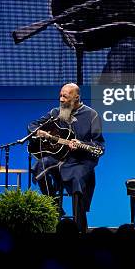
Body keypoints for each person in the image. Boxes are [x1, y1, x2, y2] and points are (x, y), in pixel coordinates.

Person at [28, 83, 104, 232]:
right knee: (39, 166)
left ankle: (79, 225)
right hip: (58, 157)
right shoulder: (55, 113)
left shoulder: (91, 115)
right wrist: (39, 133)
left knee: (77, 179)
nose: (61, 100)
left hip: (81, 160)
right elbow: (33, 126)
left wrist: (81, 143)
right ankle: (54, 205)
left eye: (65, 96)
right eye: (60, 96)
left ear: (76, 98)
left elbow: (99, 145)